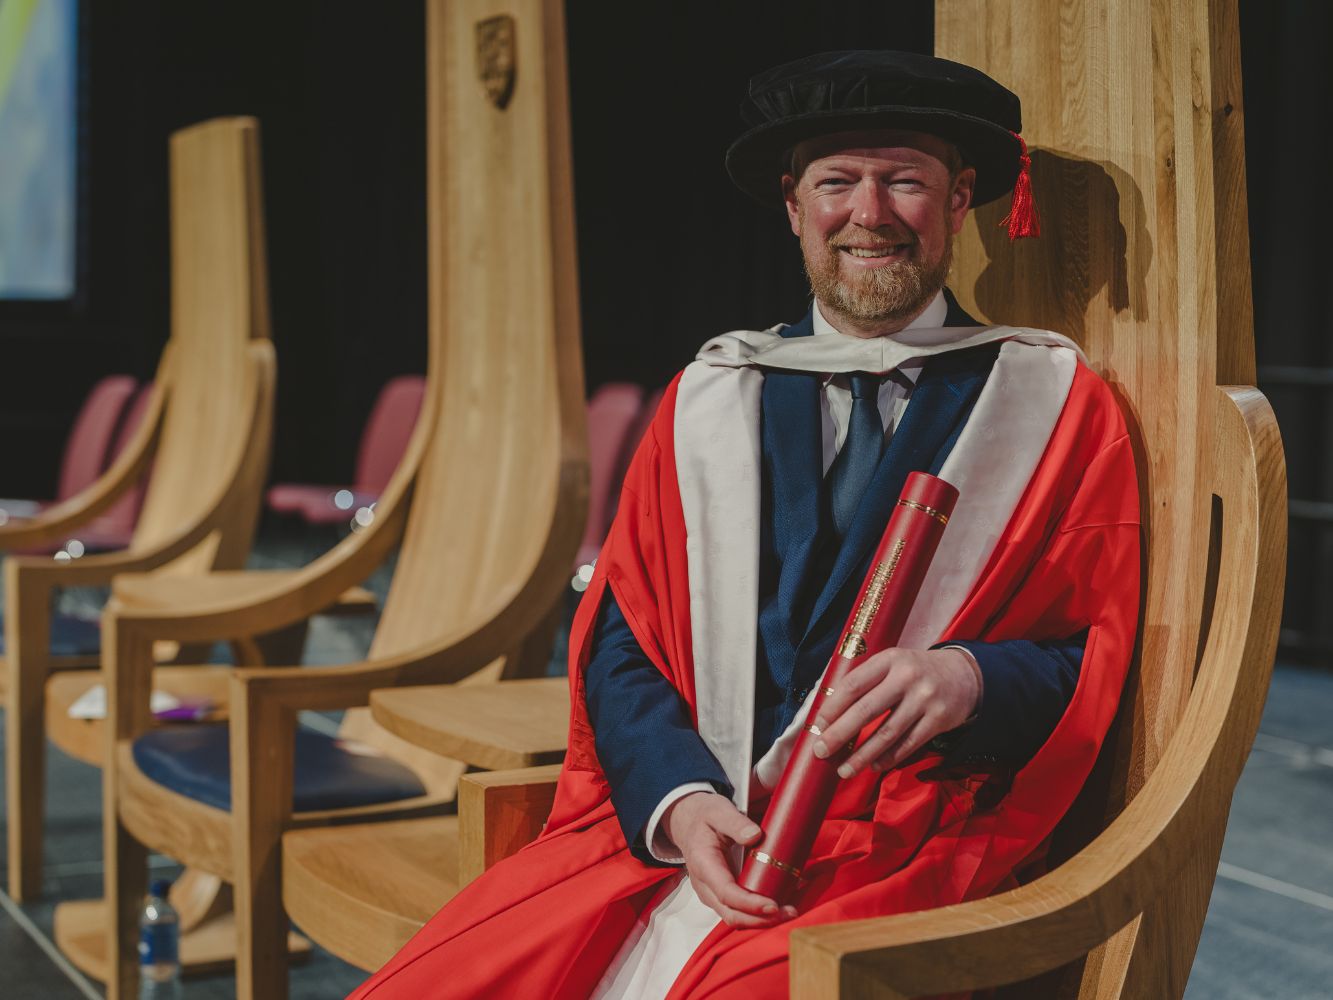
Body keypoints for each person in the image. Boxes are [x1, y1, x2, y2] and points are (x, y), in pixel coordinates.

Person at [353, 50, 1139, 999]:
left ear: (961, 197)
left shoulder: (1049, 403)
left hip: (906, 839)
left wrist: (969, 678)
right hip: (688, 826)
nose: (869, 213)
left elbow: (1091, 650)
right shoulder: (707, 399)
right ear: (793, 205)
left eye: (904, 180)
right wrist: (678, 801)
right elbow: (621, 641)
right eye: (836, 182)